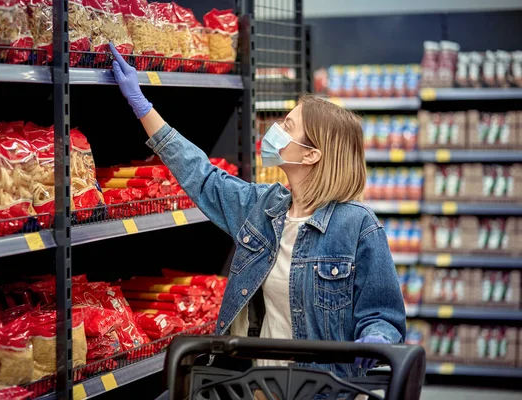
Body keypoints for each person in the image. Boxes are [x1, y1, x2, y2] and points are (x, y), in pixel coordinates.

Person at [109, 43, 406, 379]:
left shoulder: (357, 225)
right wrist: (143, 107)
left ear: (311, 155)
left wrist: (376, 338)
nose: (276, 130)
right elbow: (202, 176)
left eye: (289, 126)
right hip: (254, 384)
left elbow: (383, 312)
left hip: (321, 388)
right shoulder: (263, 208)